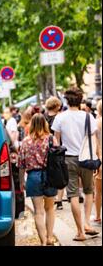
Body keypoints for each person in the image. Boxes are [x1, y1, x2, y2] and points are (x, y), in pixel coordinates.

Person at [51, 87, 99, 241]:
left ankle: (80, 231)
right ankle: (86, 223)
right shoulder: (88, 117)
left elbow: (56, 141)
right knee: (89, 191)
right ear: (80, 100)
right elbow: (93, 138)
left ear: (66, 100)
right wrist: (98, 157)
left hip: (68, 159)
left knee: (72, 194)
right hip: (86, 158)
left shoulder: (60, 117)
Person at [19, 114, 59, 246]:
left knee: (38, 211)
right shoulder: (51, 139)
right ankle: (49, 237)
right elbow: (58, 159)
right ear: (45, 124)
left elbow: (21, 164)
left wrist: (21, 181)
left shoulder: (25, 141)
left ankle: (42, 241)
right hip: (50, 176)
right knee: (50, 208)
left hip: (33, 177)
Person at [43, 96, 65, 210]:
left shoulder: (43, 117)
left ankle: (48, 196)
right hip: (57, 147)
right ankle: (59, 200)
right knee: (59, 171)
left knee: (47, 171)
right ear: (57, 106)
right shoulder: (60, 117)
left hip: (45, 148)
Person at [94, 100, 102, 224]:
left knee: (98, 191)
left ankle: (98, 216)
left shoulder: (97, 123)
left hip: (101, 158)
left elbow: (97, 145)